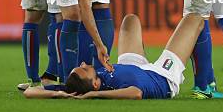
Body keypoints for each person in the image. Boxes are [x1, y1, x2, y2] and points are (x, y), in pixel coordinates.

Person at [23, 13, 204, 100]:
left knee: (130, 20)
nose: (85, 63)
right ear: (95, 84)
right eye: (86, 68)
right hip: (161, 77)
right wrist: (96, 95)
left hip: (128, 65)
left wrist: (59, 94)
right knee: (195, 19)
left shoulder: (73, 87)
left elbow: (30, 92)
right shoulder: (113, 90)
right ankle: (205, 82)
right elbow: (137, 93)